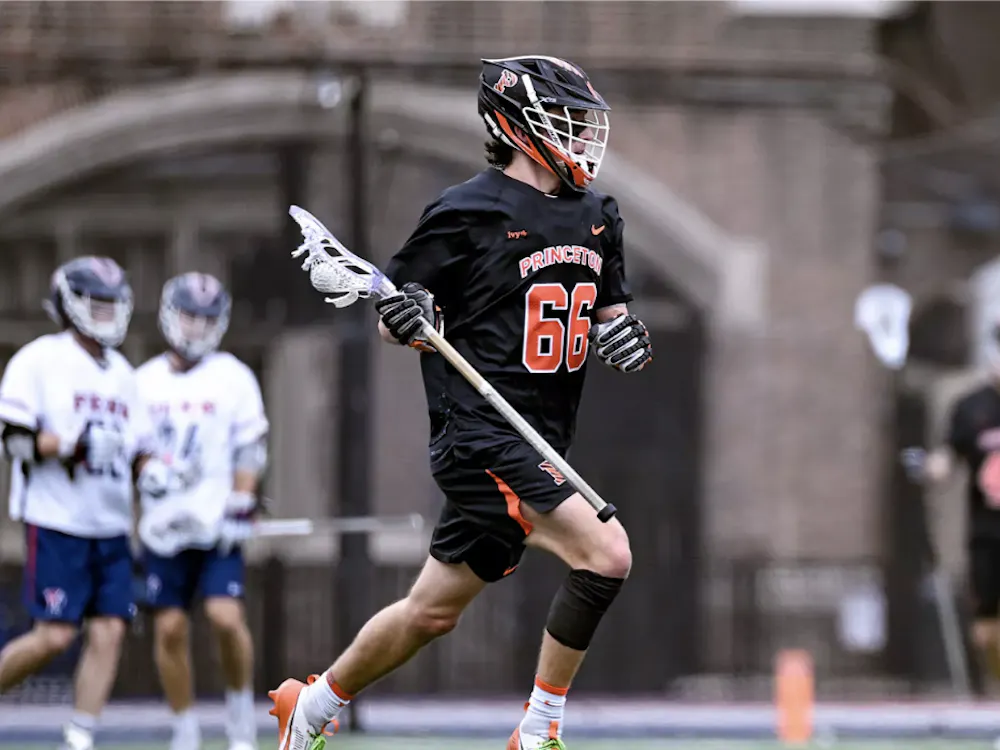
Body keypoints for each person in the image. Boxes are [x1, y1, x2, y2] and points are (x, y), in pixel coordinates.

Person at [269, 55, 653, 750]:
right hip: (479, 435)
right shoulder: (466, 211)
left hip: (540, 436)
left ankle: (312, 705)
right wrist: (409, 318)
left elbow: (609, 310)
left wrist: (623, 334)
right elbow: (396, 312)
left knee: (429, 613)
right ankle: (538, 732)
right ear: (517, 123)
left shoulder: (600, 214)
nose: (580, 136)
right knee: (607, 555)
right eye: (566, 121)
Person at [0, 256, 172, 750]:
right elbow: (14, 440)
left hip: (110, 523)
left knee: (110, 631)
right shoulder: (38, 360)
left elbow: (138, 447)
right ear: (70, 305)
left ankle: (80, 735)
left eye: (111, 304)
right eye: (95, 304)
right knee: (54, 636)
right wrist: (74, 444)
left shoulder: (122, 373)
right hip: (57, 520)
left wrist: (152, 471)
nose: (105, 315)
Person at [136, 272, 269, 750]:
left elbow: (250, 449)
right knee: (169, 628)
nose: (195, 328)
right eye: (189, 316)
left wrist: (240, 498)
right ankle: (185, 728)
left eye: (206, 319)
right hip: (164, 528)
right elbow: (135, 450)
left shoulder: (233, 376)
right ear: (172, 317)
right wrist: (147, 469)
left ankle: (239, 720)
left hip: (216, 528)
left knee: (225, 617)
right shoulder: (143, 381)